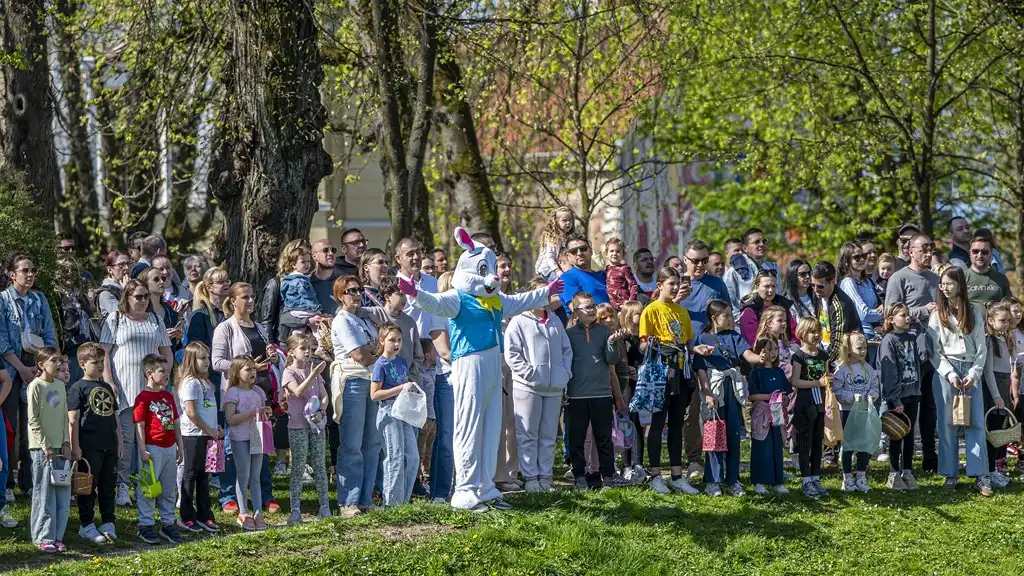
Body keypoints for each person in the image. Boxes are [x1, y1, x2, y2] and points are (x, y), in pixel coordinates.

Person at [398, 227, 556, 511]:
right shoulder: (458, 297)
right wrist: (414, 293)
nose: (492, 276)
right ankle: (465, 489)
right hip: (469, 364)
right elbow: (433, 303)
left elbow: (520, 301)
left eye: (491, 269)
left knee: (491, 426)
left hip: (493, 366)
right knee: (469, 424)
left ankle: (486, 486)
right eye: (485, 270)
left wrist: (547, 292)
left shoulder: (495, 300)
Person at [99, 279, 173, 507]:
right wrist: (108, 381)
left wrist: (164, 377)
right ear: (127, 298)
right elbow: (104, 353)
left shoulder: (156, 320)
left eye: (146, 296)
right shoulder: (116, 319)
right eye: (138, 296)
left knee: (152, 438)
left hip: (151, 390)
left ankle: (148, 483)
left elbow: (167, 352)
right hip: (125, 387)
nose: (143, 300)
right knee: (127, 439)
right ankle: (122, 485)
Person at [211, 282, 280, 515]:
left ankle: (264, 495)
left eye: (252, 296)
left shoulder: (258, 326)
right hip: (236, 395)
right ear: (232, 301)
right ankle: (229, 496)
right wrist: (246, 366)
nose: (250, 301)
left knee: (260, 445)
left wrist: (272, 356)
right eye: (245, 297)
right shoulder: (225, 328)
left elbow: (265, 357)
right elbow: (216, 362)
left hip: (259, 393)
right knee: (233, 446)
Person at [927, 266, 991, 495]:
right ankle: (950, 473)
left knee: (975, 423)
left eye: (949, 283)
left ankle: (980, 474)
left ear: (960, 285)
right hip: (948, 371)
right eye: (942, 284)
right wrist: (950, 373)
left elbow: (982, 349)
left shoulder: (974, 312)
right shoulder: (937, 315)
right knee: (947, 424)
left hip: (971, 368)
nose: (945, 288)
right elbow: (934, 351)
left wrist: (973, 374)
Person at [504, 277, 572, 493]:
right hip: (528, 387)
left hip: (553, 388)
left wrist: (564, 374)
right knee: (528, 435)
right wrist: (530, 374)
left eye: (548, 294)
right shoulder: (519, 321)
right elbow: (512, 354)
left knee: (548, 436)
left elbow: (566, 350)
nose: (545, 298)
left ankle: (546, 477)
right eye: (541, 293)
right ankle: (531, 478)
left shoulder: (555, 320)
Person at [2, 253, 58, 496]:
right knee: (10, 426)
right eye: (25, 270)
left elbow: (49, 334)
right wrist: (21, 368)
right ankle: (7, 483)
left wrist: (43, 365)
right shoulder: (2, 300)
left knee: (33, 424)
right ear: (12, 274)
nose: (30, 274)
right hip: (9, 367)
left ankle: (29, 481)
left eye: (33, 270)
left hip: (37, 365)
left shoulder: (39, 298)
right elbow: (1, 339)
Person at [884, 233, 940, 473]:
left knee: (930, 407)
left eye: (931, 248)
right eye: (924, 248)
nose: (928, 252)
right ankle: (899, 463)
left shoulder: (936, 279)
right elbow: (890, 312)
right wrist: (923, 311)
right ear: (910, 251)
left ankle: (930, 458)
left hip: (933, 352)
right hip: (908, 354)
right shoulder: (899, 278)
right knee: (905, 409)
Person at [694, 300, 760, 497]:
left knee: (733, 434)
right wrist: (707, 394)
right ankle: (713, 480)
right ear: (715, 318)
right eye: (727, 315)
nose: (731, 319)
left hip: (732, 388)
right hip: (714, 390)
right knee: (714, 434)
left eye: (731, 315)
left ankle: (733, 479)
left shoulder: (734, 336)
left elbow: (748, 355)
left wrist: (760, 358)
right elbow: (701, 370)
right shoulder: (702, 338)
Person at [329, 275, 381, 517]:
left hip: (371, 381)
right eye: (351, 291)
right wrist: (373, 352)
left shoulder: (362, 320)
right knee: (352, 443)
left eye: (359, 290)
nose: (357, 294)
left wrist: (373, 351)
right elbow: (361, 355)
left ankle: (365, 498)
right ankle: (348, 501)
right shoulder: (342, 320)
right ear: (341, 295)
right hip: (352, 382)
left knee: (372, 443)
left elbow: (378, 348)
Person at [564, 293, 626, 490]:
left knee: (604, 438)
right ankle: (579, 475)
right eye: (587, 307)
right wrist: (563, 389)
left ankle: (607, 476)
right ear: (576, 312)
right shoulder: (568, 334)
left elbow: (611, 360)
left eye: (593, 306)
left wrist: (613, 343)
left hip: (602, 393)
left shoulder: (604, 331)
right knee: (577, 438)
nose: (592, 310)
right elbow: (564, 363)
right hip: (576, 394)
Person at [68, 343, 122, 543]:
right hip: (89, 446)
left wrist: (120, 442)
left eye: (102, 361)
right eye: (95, 362)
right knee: (87, 487)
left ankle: (108, 522)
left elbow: (114, 417)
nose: (100, 366)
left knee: (108, 486)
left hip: (110, 443)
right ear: (82, 364)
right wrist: (75, 446)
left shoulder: (107, 387)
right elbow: (73, 420)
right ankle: (87, 524)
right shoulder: (77, 388)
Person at [132, 354, 183, 544]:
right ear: (149, 374)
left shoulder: (168, 396)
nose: (166, 375)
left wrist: (180, 446)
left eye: (168, 371)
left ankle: (168, 523)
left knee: (168, 488)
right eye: (162, 371)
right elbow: (139, 425)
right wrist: (142, 449)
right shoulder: (143, 398)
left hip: (169, 447)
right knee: (148, 488)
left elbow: (175, 422)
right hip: (152, 448)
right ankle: (145, 525)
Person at [281, 333, 330, 523]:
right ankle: (295, 509)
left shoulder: (314, 372)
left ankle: (324, 506)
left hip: (316, 425)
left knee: (319, 465)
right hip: (298, 426)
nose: (308, 352)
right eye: (303, 348)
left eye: (310, 348)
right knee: (298, 467)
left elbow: (324, 396)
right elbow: (298, 391)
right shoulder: (289, 372)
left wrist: (322, 411)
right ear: (292, 352)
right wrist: (312, 375)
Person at [369, 323, 419, 506]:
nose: (396, 344)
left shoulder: (402, 362)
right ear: (382, 341)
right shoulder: (380, 365)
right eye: (392, 340)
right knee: (394, 455)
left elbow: (403, 384)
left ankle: (403, 500)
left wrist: (410, 390)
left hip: (403, 409)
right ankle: (391, 503)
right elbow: (374, 394)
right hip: (388, 411)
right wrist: (400, 388)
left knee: (412, 456)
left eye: (399, 340)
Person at [27, 348, 71, 553]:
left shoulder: (61, 386)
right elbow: (33, 419)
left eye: (60, 360)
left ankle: (57, 536)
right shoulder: (35, 386)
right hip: (42, 449)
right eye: (54, 361)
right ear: (41, 364)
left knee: (62, 494)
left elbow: (64, 417)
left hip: (60, 448)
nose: (58, 364)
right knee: (44, 494)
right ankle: (42, 537)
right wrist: (45, 445)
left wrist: (66, 443)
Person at [175, 342, 222, 534]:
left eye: (208, 357)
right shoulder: (190, 383)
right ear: (191, 360)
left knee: (204, 475)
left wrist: (215, 427)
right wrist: (209, 429)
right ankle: (186, 516)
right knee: (191, 473)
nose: (207, 362)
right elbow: (191, 412)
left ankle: (204, 515)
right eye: (202, 358)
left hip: (207, 434)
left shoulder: (205, 382)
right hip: (193, 434)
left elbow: (208, 409)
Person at [223, 356, 270, 530]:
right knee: (243, 475)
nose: (252, 372)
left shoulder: (258, 391)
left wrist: (266, 412)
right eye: (248, 369)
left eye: (254, 369)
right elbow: (230, 418)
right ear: (237, 372)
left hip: (256, 435)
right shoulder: (233, 392)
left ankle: (258, 512)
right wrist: (251, 412)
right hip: (240, 438)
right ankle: (243, 512)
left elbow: (261, 411)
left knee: (255, 476)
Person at [879, 304, 922, 490]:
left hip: (913, 393)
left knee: (910, 435)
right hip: (897, 397)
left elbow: (918, 361)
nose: (907, 318)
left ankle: (907, 471)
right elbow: (889, 372)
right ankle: (893, 473)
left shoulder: (911, 337)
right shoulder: (888, 341)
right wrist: (895, 399)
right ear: (891, 319)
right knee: (896, 434)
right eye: (903, 315)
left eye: (908, 315)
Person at [832, 332, 880, 493]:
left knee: (863, 445)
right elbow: (837, 391)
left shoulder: (868, 368)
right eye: (859, 348)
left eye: (865, 347)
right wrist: (851, 397)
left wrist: (872, 395)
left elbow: (875, 387)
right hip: (847, 412)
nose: (863, 351)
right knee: (848, 445)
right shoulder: (841, 369)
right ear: (849, 349)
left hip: (864, 412)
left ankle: (861, 476)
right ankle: (847, 478)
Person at [790, 317, 830, 498]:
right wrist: (816, 383)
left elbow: (826, 376)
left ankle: (815, 477)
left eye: (818, 331)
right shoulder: (799, 356)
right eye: (812, 332)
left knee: (817, 441)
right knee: (805, 442)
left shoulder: (823, 356)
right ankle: (806, 479)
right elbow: (796, 381)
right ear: (802, 333)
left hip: (821, 404)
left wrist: (828, 381)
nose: (816, 335)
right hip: (805, 404)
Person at [747, 338, 791, 495]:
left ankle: (778, 481)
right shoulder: (756, 373)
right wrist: (770, 396)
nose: (772, 353)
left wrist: (782, 398)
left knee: (776, 445)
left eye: (775, 350)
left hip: (777, 409)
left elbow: (787, 390)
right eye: (767, 350)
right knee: (762, 445)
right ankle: (759, 481)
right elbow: (752, 396)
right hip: (762, 411)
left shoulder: (779, 371)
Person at [429, 271, 456, 504]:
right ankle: (439, 491)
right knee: (446, 438)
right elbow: (445, 352)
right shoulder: (438, 314)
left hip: (467, 380)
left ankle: (462, 487)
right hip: (447, 380)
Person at [982, 302, 1014, 488]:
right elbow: (988, 371)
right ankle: (989, 470)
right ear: (990, 320)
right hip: (994, 391)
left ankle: (993, 468)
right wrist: (996, 396)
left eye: (1008, 320)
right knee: (992, 433)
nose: (1006, 324)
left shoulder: (1003, 339)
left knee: (999, 432)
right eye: (1002, 320)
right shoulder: (989, 340)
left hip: (1003, 387)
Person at [259, 239, 314, 345]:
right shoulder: (276, 283)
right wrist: (270, 345)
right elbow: (267, 320)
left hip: (309, 339)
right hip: (285, 339)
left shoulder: (308, 281)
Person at [722, 228, 781, 319]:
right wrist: (743, 321)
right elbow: (729, 302)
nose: (762, 244)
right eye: (757, 242)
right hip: (746, 323)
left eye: (764, 241)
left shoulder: (773, 267)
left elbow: (778, 296)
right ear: (745, 248)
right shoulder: (734, 271)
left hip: (771, 321)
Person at [55, 260, 94, 384]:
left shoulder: (80, 295)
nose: (69, 273)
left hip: (87, 349)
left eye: (73, 270)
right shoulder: (55, 297)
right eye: (65, 270)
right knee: (70, 388)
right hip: (69, 350)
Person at [680, 240, 731, 336]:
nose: (700, 265)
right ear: (685, 260)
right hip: (683, 341)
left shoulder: (717, 283)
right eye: (695, 261)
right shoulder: (675, 283)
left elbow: (728, 315)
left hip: (711, 341)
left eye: (704, 260)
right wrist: (677, 300)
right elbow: (662, 313)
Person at [279, 243, 331, 330]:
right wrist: (316, 308)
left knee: (298, 331)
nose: (307, 264)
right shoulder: (301, 280)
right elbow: (307, 296)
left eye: (308, 261)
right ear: (293, 265)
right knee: (318, 325)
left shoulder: (287, 279)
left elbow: (283, 294)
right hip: (304, 309)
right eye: (303, 262)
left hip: (292, 310)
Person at [738, 270, 796, 346]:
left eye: (773, 286)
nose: (771, 290)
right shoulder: (749, 309)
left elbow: (793, 332)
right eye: (766, 286)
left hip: (787, 348)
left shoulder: (783, 304)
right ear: (757, 287)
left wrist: (794, 348)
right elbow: (751, 341)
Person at [838, 242, 882, 340]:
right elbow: (864, 314)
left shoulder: (867, 281)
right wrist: (888, 312)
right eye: (857, 257)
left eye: (863, 256)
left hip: (875, 334)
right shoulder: (848, 283)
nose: (862, 259)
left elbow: (877, 306)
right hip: (860, 336)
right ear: (846, 262)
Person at [557, 234, 609, 315]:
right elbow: (580, 313)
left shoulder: (602, 276)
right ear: (568, 256)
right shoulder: (567, 278)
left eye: (583, 249)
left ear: (591, 251)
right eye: (574, 251)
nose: (579, 253)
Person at [964, 234, 1011, 306]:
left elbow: (1009, 306)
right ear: (970, 253)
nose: (980, 255)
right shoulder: (961, 278)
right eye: (975, 251)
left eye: (984, 252)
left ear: (991, 253)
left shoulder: (1001, 279)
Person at [536, 206, 576, 281]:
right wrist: (557, 270)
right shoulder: (552, 237)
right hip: (549, 269)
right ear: (556, 222)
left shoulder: (568, 237)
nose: (568, 223)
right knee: (562, 282)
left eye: (570, 220)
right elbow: (549, 257)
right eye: (564, 220)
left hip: (562, 266)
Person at [604, 238, 639, 309]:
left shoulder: (624, 269)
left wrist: (630, 302)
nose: (614, 253)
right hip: (611, 305)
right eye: (611, 251)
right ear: (606, 254)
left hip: (623, 304)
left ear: (623, 254)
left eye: (618, 251)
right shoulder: (606, 270)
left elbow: (633, 285)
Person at [95, 251, 132, 318]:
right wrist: (127, 292)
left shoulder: (131, 285)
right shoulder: (106, 293)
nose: (126, 267)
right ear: (110, 270)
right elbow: (120, 316)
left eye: (128, 263)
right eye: (121, 265)